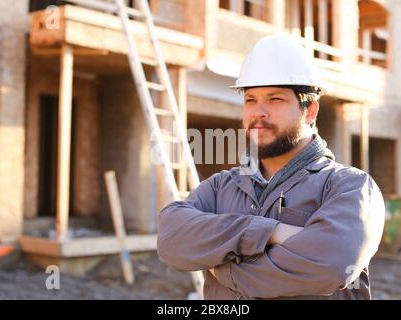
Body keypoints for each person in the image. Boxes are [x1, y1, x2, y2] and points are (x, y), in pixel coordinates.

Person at [156, 33, 385, 300]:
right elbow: (171, 238)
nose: (258, 112)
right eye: (250, 99)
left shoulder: (350, 187)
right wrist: (270, 231)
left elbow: (331, 266)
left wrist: (226, 271)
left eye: (275, 99)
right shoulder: (221, 186)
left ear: (310, 111)